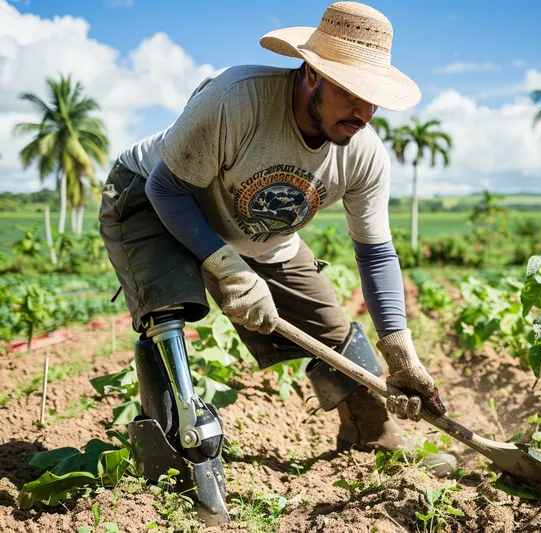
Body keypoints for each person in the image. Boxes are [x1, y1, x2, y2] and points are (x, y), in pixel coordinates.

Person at [99, 1, 449, 460]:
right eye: (351, 92)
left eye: (373, 99)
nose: (364, 112)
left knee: (332, 330)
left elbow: (376, 254)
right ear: (311, 73)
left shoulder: (364, 154)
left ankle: (371, 440)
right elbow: (167, 188)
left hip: (258, 233)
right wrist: (229, 270)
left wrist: (401, 354)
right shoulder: (237, 99)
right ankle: (174, 454)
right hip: (152, 196)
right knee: (167, 313)